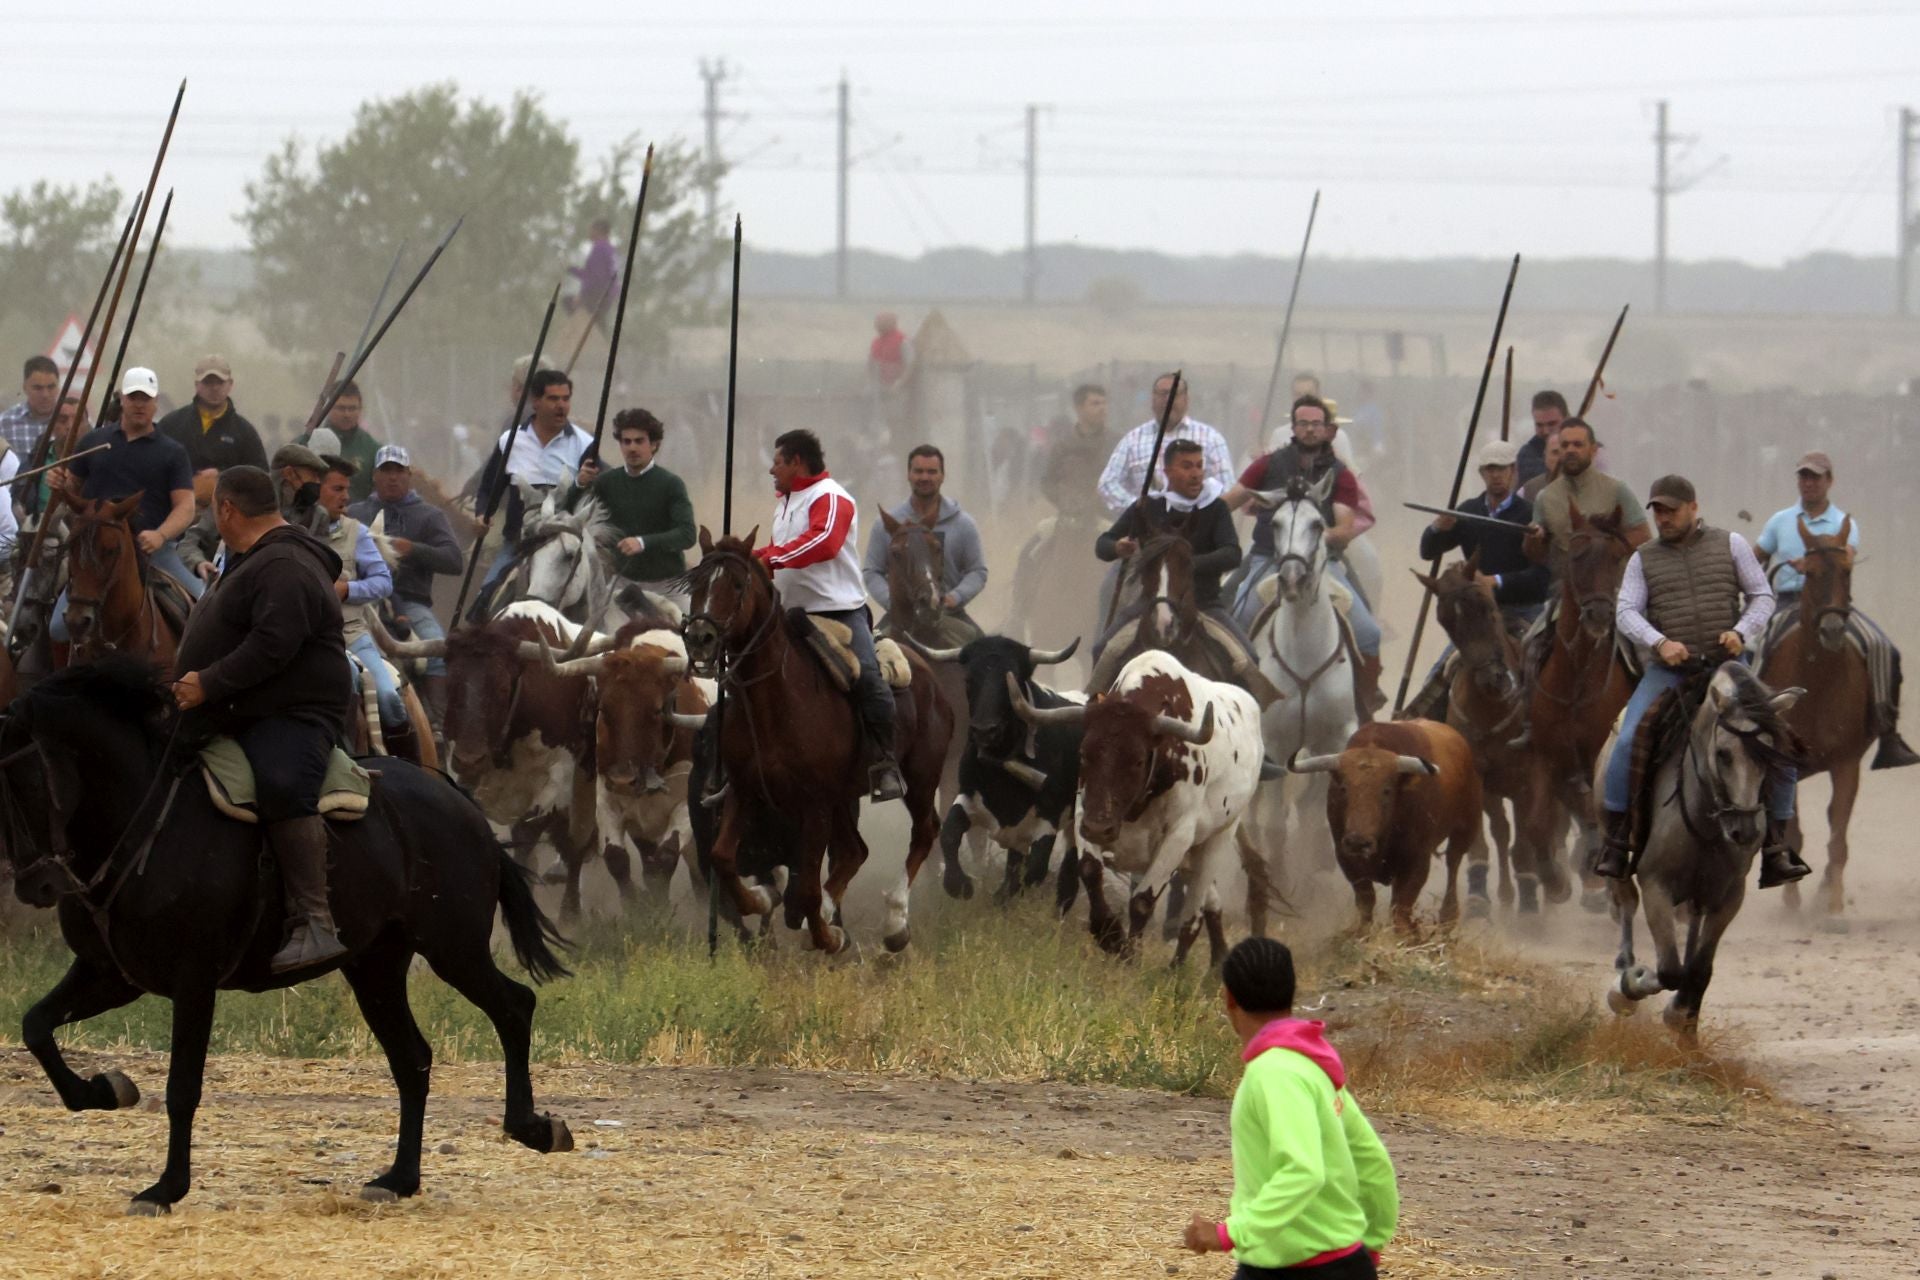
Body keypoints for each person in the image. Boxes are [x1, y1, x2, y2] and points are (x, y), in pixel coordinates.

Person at [173, 464, 353, 972]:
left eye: (214, 509)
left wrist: (207, 681)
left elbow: (275, 644)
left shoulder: (286, 564)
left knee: (281, 780)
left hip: (293, 712)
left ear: (227, 509)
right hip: (244, 705)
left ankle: (314, 921)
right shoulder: (254, 558)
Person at [1593, 474, 1809, 889]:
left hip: (1729, 667)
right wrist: (1660, 642)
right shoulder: (1643, 558)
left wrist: (1742, 631)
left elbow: (1762, 596)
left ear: (1694, 507)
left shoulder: (1732, 544)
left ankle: (1777, 847)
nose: (1663, 518)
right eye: (1657, 510)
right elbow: (1626, 612)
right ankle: (1617, 843)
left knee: (1780, 742)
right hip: (1669, 670)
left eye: (1671, 510)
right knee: (1626, 740)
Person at [1181, 937, 1398, 1278]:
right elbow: (1373, 1163)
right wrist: (1369, 1245)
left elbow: (1303, 1171)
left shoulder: (1273, 1072)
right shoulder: (1312, 1066)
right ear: (1291, 992)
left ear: (1228, 998)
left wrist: (1229, 1234)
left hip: (1289, 1270)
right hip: (1346, 1262)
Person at [752, 428, 904, 803]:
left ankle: (885, 761)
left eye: (777, 462)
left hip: (838, 612)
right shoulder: (785, 502)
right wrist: (752, 560)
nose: (772, 470)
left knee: (868, 678)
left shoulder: (832, 497)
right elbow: (781, 548)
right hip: (788, 613)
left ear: (797, 462)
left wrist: (769, 559)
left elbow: (825, 541)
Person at [1754, 451, 1919, 769]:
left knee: (1883, 647)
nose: (1809, 483)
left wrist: (1813, 562)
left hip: (1834, 604)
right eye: (1804, 476)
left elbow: (1846, 556)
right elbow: (1757, 555)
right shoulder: (1780, 521)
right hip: (1789, 602)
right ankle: (1754, 726)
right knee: (1757, 646)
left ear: (1829, 481)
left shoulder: (1844, 523)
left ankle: (1887, 734)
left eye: (1815, 477)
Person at [1225, 394, 1383, 707]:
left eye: (1316, 424)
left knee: (1368, 632)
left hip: (1324, 563)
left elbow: (1345, 528)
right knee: (1235, 618)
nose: (1310, 430)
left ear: (1327, 430)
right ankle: (1234, 696)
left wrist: (1316, 538)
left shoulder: (1340, 474)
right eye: (1303, 424)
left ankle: (1364, 700)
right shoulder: (1267, 464)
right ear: (1293, 428)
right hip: (1268, 558)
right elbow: (1230, 501)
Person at [45, 367, 202, 644]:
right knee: (57, 629)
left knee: (203, 610)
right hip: (93, 552)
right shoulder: (93, 442)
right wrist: (59, 482)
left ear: (155, 403)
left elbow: (185, 507)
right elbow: (73, 492)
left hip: (154, 550)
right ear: (122, 400)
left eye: (146, 398)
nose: (139, 404)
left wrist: (161, 535)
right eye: (133, 398)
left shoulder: (172, 452)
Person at [1094, 438, 1248, 668]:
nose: (1196, 473)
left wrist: (1185, 565)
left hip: (1205, 604)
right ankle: (1099, 703)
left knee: (1249, 658)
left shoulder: (1216, 509)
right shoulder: (1147, 507)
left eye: (1198, 465)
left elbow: (1232, 554)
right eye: (1186, 466)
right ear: (1167, 472)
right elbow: (1102, 545)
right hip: (1149, 603)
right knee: (1102, 650)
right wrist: (1117, 547)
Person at [350, 444, 463, 733]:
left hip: (412, 604)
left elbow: (453, 560)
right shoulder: (356, 513)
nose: (392, 478)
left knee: (436, 649)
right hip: (360, 600)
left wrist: (413, 549)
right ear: (374, 476)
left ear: (409, 475)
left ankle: (439, 724)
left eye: (398, 471)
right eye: (386, 471)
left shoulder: (429, 516)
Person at [473, 369, 594, 615]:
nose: (561, 406)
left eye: (566, 398)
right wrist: (482, 514)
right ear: (535, 402)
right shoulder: (510, 442)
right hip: (519, 543)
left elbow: (598, 492)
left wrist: (585, 482)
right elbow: (488, 488)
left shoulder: (584, 443)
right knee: (484, 600)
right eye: (553, 399)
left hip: (568, 543)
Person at [862, 444, 989, 646]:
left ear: (942, 475)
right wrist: (892, 602)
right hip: (900, 619)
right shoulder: (886, 524)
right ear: (908, 475)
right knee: (867, 660)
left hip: (950, 615)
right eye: (918, 471)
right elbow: (871, 570)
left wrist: (955, 597)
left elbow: (977, 571)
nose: (925, 477)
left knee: (988, 658)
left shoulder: (964, 524)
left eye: (932, 472)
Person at [573, 407, 697, 607]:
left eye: (639, 441)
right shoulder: (606, 482)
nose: (632, 448)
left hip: (668, 587)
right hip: (621, 585)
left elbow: (687, 534)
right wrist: (579, 485)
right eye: (626, 441)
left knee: (692, 634)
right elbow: (572, 515)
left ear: (654, 445)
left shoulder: (671, 484)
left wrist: (643, 542)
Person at [1418, 439, 1549, 627]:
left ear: (1513, 470)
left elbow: (1541, 577)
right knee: (1447, 658)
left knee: (1538, 652)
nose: (1496, 475)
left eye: (1502, 469)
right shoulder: (1468, 511)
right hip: (1479, 610)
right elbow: (1427, 552)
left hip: (1522, 607)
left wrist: (1497, 581)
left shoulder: (1530, 513)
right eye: (1490, 469)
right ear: (1481, 473)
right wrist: (1436, 529)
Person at [316, 455, 403, 733]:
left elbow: (383, 582)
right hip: (302, 638)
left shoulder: (358, 532)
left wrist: (348, 589)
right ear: (314, 490)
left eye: (347, 489)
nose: (346, 497)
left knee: (389, 700)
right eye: (337, 489)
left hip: (351, 635)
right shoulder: (289, 531)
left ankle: (406, 767)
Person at [1096, 372, 1235, 514]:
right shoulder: (1132, 440)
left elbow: (1227, 487)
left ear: (1186, 400)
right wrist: (1137, 506)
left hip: (1195, 529)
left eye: (1174, 394)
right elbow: (1107, 483)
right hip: (1145, 529)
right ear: (1153, 399)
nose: (1168, 400)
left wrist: (1199, 514)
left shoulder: (1211, 438)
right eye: (1162, 394)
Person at [1522, 418, 1650, 571]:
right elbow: (1536, 555)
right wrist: (1532, 540)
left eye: (1578, 444)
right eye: (1565, 445)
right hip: (1563, 589)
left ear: (1593, 450)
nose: (1570, 450)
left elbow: (1643, 534)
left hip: (1610, 588)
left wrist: (1607, 552)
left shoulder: (1616, 489)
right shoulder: (1545, 497)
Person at [156, 354, 268, 474]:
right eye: (207, 382)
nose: (214, 387)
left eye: (220, 382)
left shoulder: (245, 432)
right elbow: (154, 466)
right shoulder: (171, 424)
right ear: (196, 385)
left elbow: (261, 478)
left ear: (230, 384)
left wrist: (221, 477)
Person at [294, 380, 383, 502]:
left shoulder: (373, 449)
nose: (347, 414)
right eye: (341, 408)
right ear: (329, 408)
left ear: (360, 409)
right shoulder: (306, 443)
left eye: (352, 408)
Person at [1038, 383, 1110, 520]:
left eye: (1104, 403)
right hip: (1071, 521)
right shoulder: (1063, 446)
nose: (1102, 408)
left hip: (1111, 525)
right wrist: (1066, 501)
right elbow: (1048, 483)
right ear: (1079, 408)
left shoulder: (1119, 443)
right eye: (1095, 404)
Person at [0, 355, 60, 457]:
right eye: (38, 388)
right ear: (25, 387)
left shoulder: (74, 421)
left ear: (58, 387)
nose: (45, 395)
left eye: (51, 387)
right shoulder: (4, 424)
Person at [567, 217, 619, 323]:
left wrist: (582, 296)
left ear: (597, 230)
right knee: (597, 323)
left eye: (591, 229)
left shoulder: (599, 248)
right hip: (607, 294)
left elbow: (595, 276)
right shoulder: (610, 249)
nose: (589, 232)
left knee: (569, 304)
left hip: (597, 293)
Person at [1515, 390, 1567, 487]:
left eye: (1552, 424)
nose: (1546, 431)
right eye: (1539, 425)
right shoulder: (1527, 455)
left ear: (1566, 419)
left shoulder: (1591, 450)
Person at [1519, 427, 1563, 504]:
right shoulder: (1528, 490)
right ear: (1545, 455)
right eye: (1555, 453)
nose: (1560, 458)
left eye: (1564, 453)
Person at [868, 312, 910, 390]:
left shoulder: (903, 341)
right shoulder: (876, 342)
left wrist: (899, 383)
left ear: (893, 323)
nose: (877, 325)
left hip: (897, 387)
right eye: (877, 322)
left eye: (882, 322)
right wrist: (872, 382)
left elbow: (910, 365)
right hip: (878, 386)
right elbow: (870, 364)